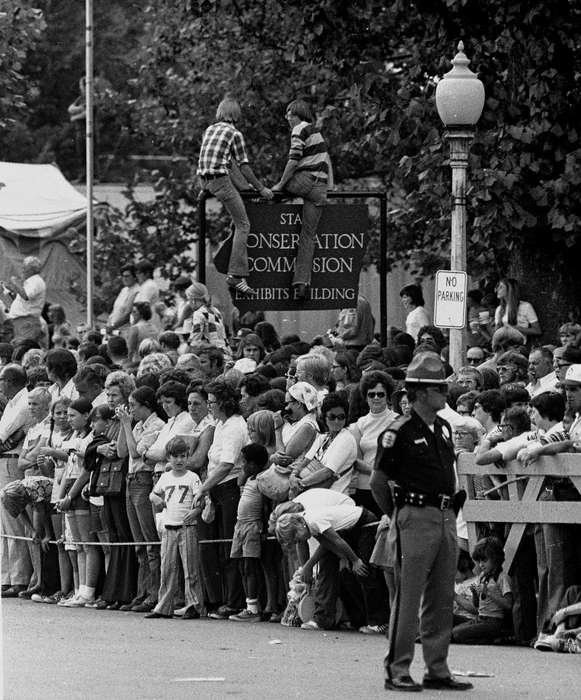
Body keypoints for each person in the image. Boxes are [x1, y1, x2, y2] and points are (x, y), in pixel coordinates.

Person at [371, 351, 472, 692]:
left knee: (442, 595)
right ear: (420, 392)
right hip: (413, 515)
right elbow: (378, 482)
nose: (445, 393)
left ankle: (437, 668)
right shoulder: (397, 431)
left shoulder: (443, 428)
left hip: (444, 515)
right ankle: (397, 668)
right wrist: (397, 516)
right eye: (439, 388)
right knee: (409, 596)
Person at [197, 94, 273, 295]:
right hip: (220, 181)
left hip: (204, 180)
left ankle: (234, 265)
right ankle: (235, 275)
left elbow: (227, 163)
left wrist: (244, 187)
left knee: (237, 215)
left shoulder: (210, 129)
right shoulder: (234, 134)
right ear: (236, 115)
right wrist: (260, 188)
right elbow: (243, 166)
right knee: (243, 224)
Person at [193, 379, 248, 619]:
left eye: (213, 402)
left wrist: (203, 488)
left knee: (229, 547)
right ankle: (220, 599)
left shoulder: (236, 426)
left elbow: (227, 464)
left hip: (229, 489)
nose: (210, 406)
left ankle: (233, 601)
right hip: (216, 489)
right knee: (214, 549)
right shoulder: (220, 425)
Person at [272, 99, 332, 301]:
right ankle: (301, 283)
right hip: (320, 188)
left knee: (270, 192)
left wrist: (280, 185)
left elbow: (293, 159)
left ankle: (259, 205)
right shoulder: (316, 131)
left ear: (298, 114)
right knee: (308, 236)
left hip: (305, 181)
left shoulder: (299, 129)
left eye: (289, 114)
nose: (287, 118)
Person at [116, 387, 166, 613]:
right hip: (130, 479)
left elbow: (136, 453)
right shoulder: (135, 425)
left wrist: (126, 424)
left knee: (149, 540)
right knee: (139, 543)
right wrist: (124, 425)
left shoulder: (157, 426)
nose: (130, 410)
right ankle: (142, 591)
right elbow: (121, 452)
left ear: (146, 405)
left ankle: (155, 593)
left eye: (133, 405)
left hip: (144, 479)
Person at [146, 437, 205, 619]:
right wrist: (158, 500)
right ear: (168, 458)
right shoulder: (165, 477)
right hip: (169, 527)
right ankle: (164, 606)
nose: (179, 460)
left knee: (190, 569)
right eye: (175, 457)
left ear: (187, 457)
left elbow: (200, 502)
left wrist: (194, 512)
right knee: (167, 568)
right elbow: (153, 495)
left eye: (183, 456)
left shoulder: (192, 477)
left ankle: (193, 605)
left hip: (187, 527)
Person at [0, 363, 32, 597]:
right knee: (3, 523)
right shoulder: (12, 403)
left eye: (2, 380)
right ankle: (7, 575)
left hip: (12, 460)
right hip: (5, 458)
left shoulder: (23, 403)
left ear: (10, 381)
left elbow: (3, 435)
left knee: (13, 520)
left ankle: (19, 577)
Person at [228, 443, 270, 622]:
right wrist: (245, 471)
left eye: (244, 461)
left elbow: (266, 506)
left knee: (249, 567)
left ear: (254, 464)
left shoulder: (262, 479)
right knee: (242, 566)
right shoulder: (249, 478)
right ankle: (249, 605)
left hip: (253, 526)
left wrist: (264, 528)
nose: (241, 464)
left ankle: (253, 610)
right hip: (240, 525)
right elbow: (239, 480)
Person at [288, 393, 357, 498]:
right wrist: (293, 476)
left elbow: (327, 472)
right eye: (332, 417)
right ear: (324, 417)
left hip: (332, 496)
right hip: (313, 492)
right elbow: (305, 460)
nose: (337, 421)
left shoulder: (346, 439)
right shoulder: (323, 437)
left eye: (341, 417)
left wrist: (300, 484)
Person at [350, 371, 397, 516]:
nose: (376, 398)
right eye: (371, 394)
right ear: (366, 396)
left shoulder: (398, 421)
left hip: (390, 487)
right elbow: (355, 460)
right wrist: (377, 473)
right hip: (364, 487)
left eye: (380, 394)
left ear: (387, 395)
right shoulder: (359, 424)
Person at [452, 537, 512, 644]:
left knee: (458, 633)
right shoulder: (482, 577)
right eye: (479, 561)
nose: (481, 565)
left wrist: (488, 593)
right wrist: (475, 593)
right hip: (481, 618)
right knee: (453, 630)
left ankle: (494, 638)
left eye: (484, 561)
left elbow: (508, 604)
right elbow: (477, 606)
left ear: (495, 559)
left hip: (494, 620)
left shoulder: (502, 578)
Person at [0, 256, 46, 346]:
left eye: (25, 267)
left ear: (32, 270)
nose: (22, 270)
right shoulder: (31, 282)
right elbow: (23, 301)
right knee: (18, 347)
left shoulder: (36, 281)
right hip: (21, 322)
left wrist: (15, 282)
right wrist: (10, 289)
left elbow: (26, 296)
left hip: (26, 322)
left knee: (22, 347)